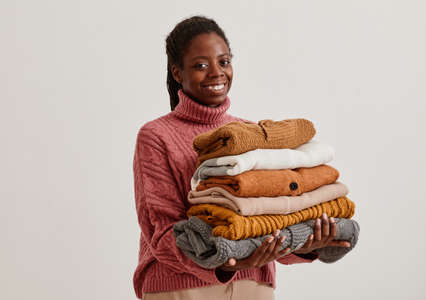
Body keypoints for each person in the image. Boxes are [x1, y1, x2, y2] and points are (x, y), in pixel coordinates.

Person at [133, 15, 350, 300]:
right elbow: (161, 234)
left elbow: (273, 218)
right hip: (180, 287)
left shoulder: (251, 134)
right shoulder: (156, 135)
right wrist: (222, 262)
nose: (216, 73)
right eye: (201, 65)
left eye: (224, 62)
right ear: (177, 72)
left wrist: (306, 244)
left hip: (254, 285)